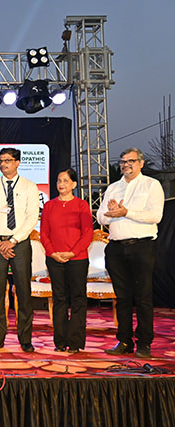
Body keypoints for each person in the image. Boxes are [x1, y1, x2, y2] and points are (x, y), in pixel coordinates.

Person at [96, 148, 164, 359]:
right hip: (116, 248)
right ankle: (124, 340)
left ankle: (144, 343)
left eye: (131, 161)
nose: (126, 165)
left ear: (141, 163)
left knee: (143, 297)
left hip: (141, 246)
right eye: (123, 161)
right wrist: (111, 213)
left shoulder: (151, 185)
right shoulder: (113, 187)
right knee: (122, 298)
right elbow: (100, 218)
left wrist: (127, 212)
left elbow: (156, 216)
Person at [0, 147, 39, 353]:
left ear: (17, 163)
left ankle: (25, 339)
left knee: (23, 291)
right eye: (1, 160)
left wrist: (13, 240)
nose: (3, 164)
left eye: (7, 160)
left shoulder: (30, 187)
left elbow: (32, 217)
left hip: (20, 244)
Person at [40, 168, 93, 354]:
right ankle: (60, 341)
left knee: (78, 299)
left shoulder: (81, 205)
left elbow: (88, 233)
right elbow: (44, 233)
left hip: (77, 259)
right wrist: (52, 252)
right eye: (58, 180)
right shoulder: (49, 206)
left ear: (74, 184)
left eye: (65, 181)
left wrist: (72, 253)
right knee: (59, 299)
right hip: (54, 259)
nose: (61, 184)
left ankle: (75, 342)